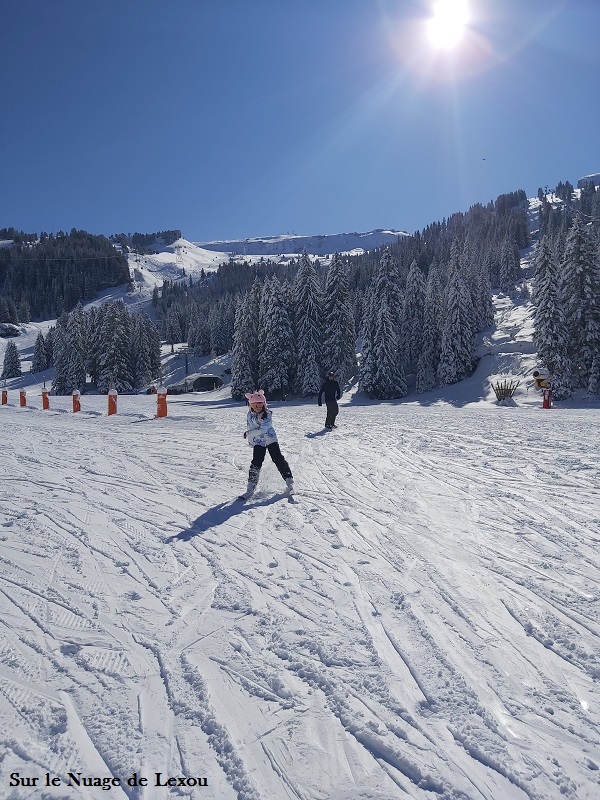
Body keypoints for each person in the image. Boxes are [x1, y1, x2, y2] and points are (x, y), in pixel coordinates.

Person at [240, 390, 294, 499]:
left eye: (260, 404)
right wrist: (251, 440)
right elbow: (250, 427)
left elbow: (262, 429)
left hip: (270, 439)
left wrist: (249, 434)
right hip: (258, 441)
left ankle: (289, 481)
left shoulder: (267, 414)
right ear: (250, 405)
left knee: (278, 458)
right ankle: (251, 486)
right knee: (256, 462)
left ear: (264, 404)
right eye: (255, 404)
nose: (258, 406)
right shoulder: (249, 415)